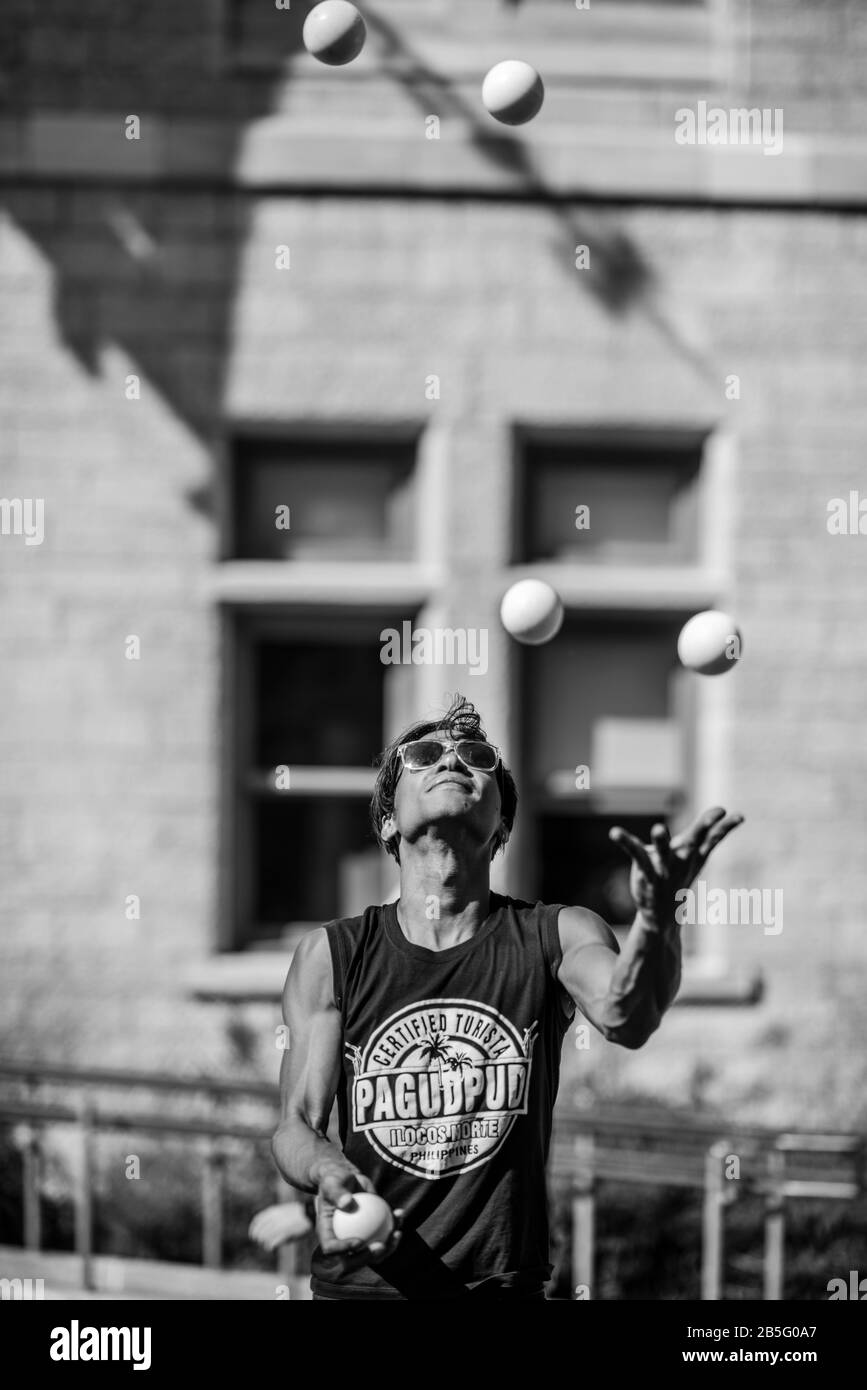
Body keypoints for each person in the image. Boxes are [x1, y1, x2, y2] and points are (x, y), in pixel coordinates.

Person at [271, 694, 743, 1300]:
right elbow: (295, 1126)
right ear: (388, 820)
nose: (453, 762)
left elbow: (630, 1015)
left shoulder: (557, 934)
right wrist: (327, 1169)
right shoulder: (332, 955)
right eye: (424, 755)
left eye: (477, 757)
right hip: (363, 1286)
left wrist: (657, 918)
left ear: (502, 826)